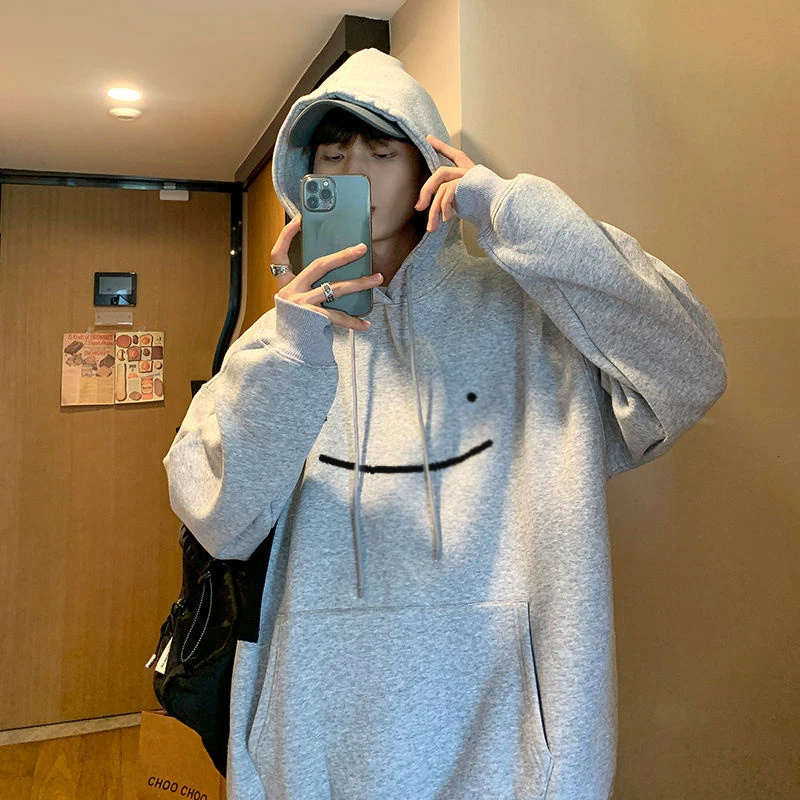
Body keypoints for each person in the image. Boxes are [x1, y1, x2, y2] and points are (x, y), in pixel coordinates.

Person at [163, 47, 727, 800]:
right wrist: (293, 352)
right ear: (306, 182)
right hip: (314, 743)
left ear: (427, 165)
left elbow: (688, 372)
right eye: (333, 155)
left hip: (511, 753)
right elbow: (217, 516)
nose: (356, 171)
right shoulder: (278, 344)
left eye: (381, 150)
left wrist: (515, 215)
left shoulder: (530, 321)